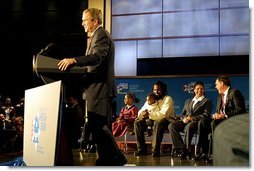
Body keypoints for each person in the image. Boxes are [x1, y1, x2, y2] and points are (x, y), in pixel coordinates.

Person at [57, 8, 127, 166]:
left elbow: (97, 58)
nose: (82, 23)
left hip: (100, 89)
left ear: (95, 20)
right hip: (96, 89)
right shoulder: (97, 35)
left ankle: (114, 158)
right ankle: (109, 158)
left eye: (85, 20)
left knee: (99, 126)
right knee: (98, 126)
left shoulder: (100, 34)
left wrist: (74, 60)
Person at [168, 81, 212, 159]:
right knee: (172, 125)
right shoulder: (188, 101)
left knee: (189, 126)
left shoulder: (207, 101)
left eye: (202, 89)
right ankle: (180, 148)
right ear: (194, 90)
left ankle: (186, 150)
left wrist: (192, 118)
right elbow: (182, 114)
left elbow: (206, 115)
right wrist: (183, 118)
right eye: (197, 89)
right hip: (186, 121)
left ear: (204, 90)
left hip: (197, 123)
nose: (199, 90)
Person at [208, 75, 247, 163]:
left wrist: (224, 115)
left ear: (222, 83)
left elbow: (241, 110)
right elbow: (219, 111)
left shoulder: (234, 92)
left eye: (216, 84)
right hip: (222, 120)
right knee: (203, 123)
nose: (215, 87)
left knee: (214, 123)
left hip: (233, 121)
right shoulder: (219, 97)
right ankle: (204, 152)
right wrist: (216, 115)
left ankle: (217, 153)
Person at [133, 80, 175, 157]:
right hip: (151, 121)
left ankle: (155, 150)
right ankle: (141, 149)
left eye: (158, 90)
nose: (156, 91)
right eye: (154, 90)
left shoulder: (168, 99)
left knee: (158, 122)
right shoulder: (151, 99)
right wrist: (142, 114)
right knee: (137, 122)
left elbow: (164, 114)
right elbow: (141, 110)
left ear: (163, 90)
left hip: (166, 121)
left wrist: (149, 114)